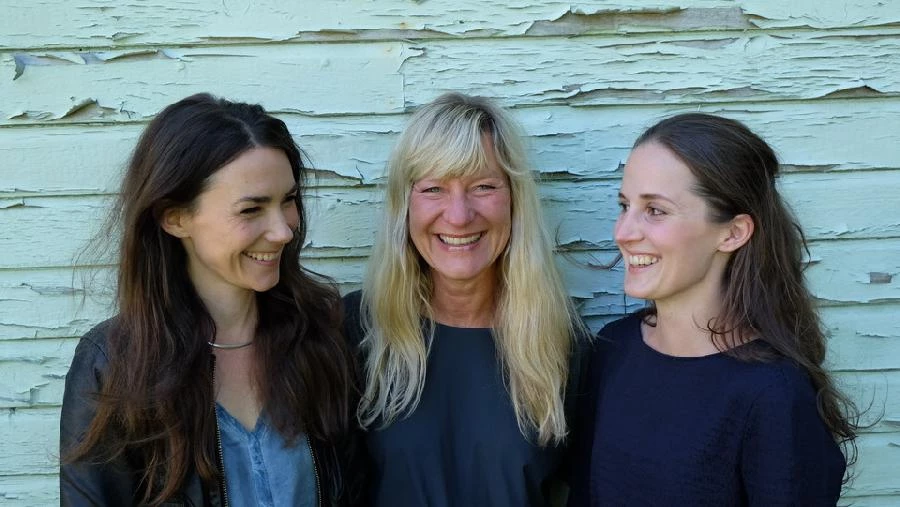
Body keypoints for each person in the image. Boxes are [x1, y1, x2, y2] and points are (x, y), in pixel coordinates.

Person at [60, 93, 363, 506]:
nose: (283, 231)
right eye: (252, 209)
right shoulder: (114, 364)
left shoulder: (324, 337)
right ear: (175, 217)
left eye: (288, 200)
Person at [569, 113, 857, 506]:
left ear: (733, 232)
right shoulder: (611, 348)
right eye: (625, 205)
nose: (623, 232)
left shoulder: (773, 394)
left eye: (655, 210)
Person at [343, 92, 588, 506]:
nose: (458, 216)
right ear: (405, 205)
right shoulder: (356, 329)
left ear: (514, 200)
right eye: (434, 188)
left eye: (483, 186)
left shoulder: (562, 345)